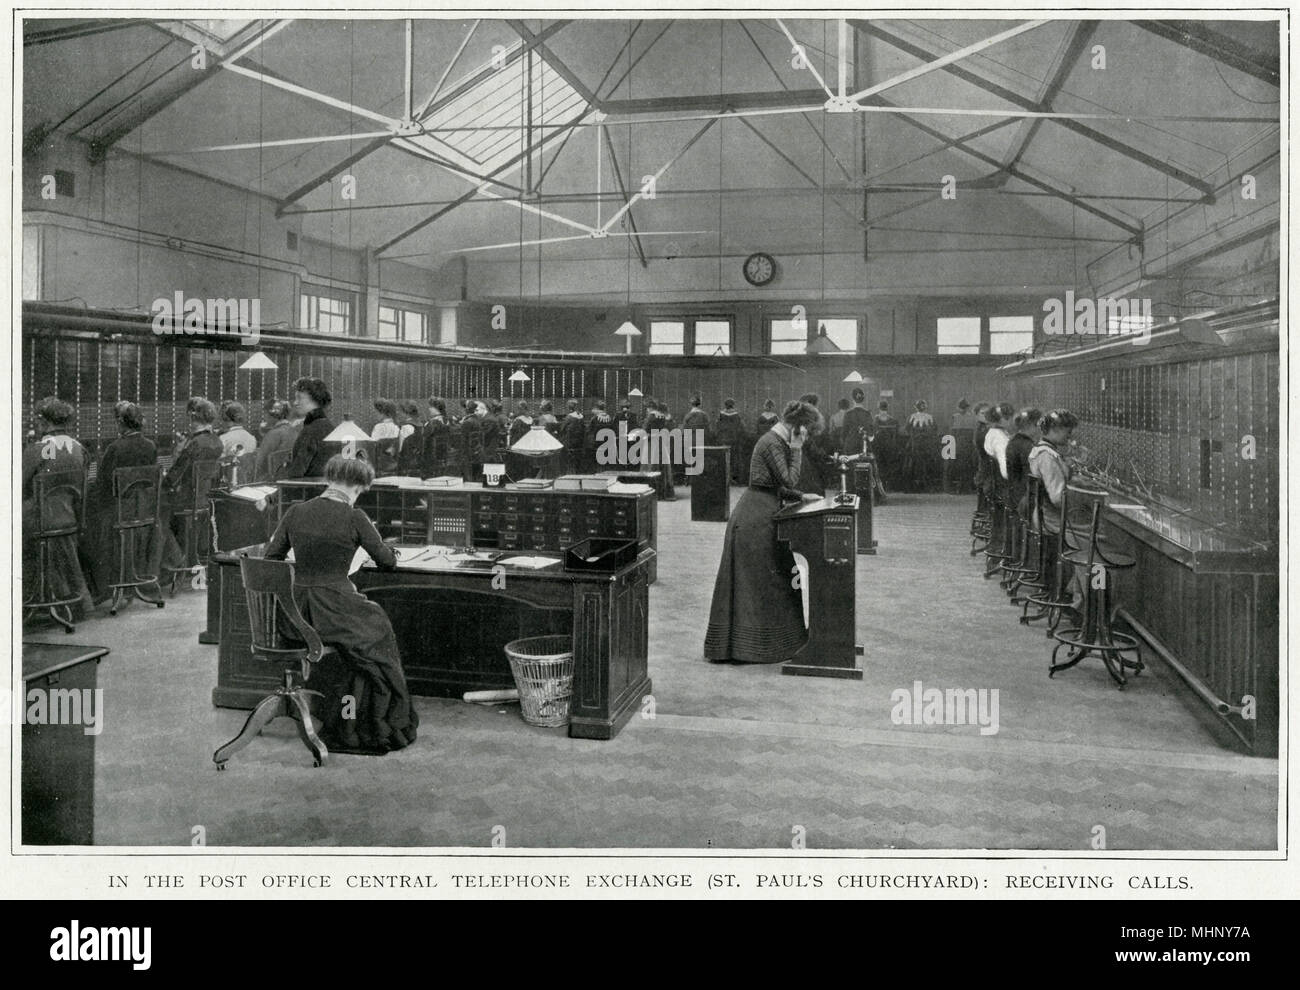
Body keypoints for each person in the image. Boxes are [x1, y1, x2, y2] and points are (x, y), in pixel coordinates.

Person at [263, 455, 419, 753]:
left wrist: (306, 568)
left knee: (360, 648)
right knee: (378, 631)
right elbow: (387, 562)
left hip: (296, 616)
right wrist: (389, 551)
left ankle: (348, 718)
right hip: (334, 610)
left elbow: (272, 560)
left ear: (329, 480)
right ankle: (374, 723)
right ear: (357, 487)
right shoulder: (354, 516)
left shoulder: (295, 512)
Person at [703, 400, 823, 664]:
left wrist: (803, 496)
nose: (807, 436)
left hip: (762, 513)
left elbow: (777, 486)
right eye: (806, 431)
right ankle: (753, 648)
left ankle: (774, 643)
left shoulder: (775, 442)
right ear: (797, 427)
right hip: (755, 519)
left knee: (780, 578)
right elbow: (788, 479)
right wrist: (797, 448)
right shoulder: (772, 443)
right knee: (767, 583)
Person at [22, 396, 93, 618]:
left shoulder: (41, 449)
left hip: (39, 522)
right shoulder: (79, 448)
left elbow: (19, 485)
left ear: (43, 421)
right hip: (69, 520)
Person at [84, 401, 159, 604]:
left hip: (118, 512)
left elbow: (102, 484)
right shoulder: (150, 446)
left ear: (120, 422)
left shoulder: (115, 448)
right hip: (142, 510)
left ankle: (102, 588)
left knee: (88, 529)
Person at [1029, 409, 1085, 618]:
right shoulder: (1047, 456)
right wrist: (1083, 498)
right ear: (1054, 429)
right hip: (1053, 520)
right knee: (1090, 544)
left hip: (1045, 515)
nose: (1069, 437)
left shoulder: (1042, 450)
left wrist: (1070, 467)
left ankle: (1075, 596)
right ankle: (1080, 605)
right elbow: (1057, 497)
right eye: (1067, 432)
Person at [160, 396, 225, 570]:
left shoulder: (194, 443)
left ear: (192, 417)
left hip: (187, 501)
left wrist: (178, 452)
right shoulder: (217, 441)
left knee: (158, 519)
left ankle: (176, 561)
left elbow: (174, 477)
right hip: (205, 501)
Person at [284, 378, 335, 478]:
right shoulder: (330, 427)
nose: (295, 403)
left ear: (315, 399)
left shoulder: (310, 431)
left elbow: (295, 473)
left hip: (307, 491)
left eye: (299, 398)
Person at [1006, 407, 1043, 515]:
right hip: (1023, 498)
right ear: (1033, 425)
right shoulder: (1027, 446)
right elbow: (1031, 476)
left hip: (1014, 493)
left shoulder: (1015, 441)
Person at [254, 400, 298, 482]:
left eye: (265, 414)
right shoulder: (294, 432)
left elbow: (260, 463)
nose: (264, 417)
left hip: (270, 481)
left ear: (273, 415)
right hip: (289, 479)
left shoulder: (273, 434)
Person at [903, 400, 938, 492]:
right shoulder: (930, 417)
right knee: (926, 465)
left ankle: (911, 487)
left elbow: (906, 429)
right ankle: (927, 486)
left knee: (912, 465)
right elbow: (935, 430)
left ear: (916, 407)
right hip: (926, 445)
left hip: (914, 444)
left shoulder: (911, 417)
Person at [945, 398, 979, 494]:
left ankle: (966, 487)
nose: (963, 409)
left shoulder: (971, 418)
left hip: (967, 445)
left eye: (965, 407)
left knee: (967, 466)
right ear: (958, 408)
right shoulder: (954, 417)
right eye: (961, 407)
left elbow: (973, 432)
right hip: (955, 444)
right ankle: (952, 488)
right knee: (953, 466)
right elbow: (950, 432)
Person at [712, 398, 749, 484]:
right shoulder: (737, 415)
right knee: (734, 459)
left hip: (723, 440)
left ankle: (723, 478)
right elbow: (741, 428)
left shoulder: (721, 414)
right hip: (734, 440)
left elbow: (717, 427)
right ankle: (733, 478)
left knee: (722, 458)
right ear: (733, 405)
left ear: (725, 405)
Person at [370, 398, 401, 475]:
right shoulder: (396, 427)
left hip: (380, 464)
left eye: (376, 412)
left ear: (381, 413)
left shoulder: (378, 427)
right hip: (394, 463)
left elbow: (372, 446)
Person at [584, 400, 614, 473]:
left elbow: (588, 430)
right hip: (607, 445)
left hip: (596, 445)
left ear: (596, 409)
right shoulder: (609, 418)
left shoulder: (594, 419)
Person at [559, 399, 586, 474]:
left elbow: (562, 429)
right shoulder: (581, 417)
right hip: (579, 444)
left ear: (569, 408)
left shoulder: (569, 417)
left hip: (569, 444)